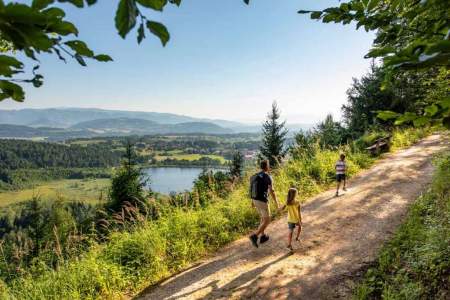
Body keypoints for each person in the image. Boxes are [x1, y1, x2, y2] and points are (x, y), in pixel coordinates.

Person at [249, 159, 280, 248]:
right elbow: (272, 191)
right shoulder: (267, 177)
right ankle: (255, 236)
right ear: (267, 166)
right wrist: (277, 203)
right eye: (268, 165)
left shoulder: (254, 176)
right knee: (268, 220)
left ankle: (263, 236)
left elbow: (251, 189)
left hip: (255, 200)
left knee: (263, 218)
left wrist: (252, 201)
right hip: (262, 201)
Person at [279, 188, 302, 252]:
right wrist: (300, 219)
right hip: (296, 219)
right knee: (300, 227)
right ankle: (297, 238)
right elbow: (299, 212)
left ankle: (289, 244)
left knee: (290, 232)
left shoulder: (287, 202)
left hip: (290, 220)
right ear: (295, 195)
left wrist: (279, 208)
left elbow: (282, 209)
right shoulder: (297, 202)